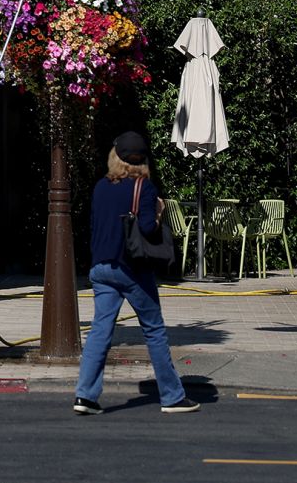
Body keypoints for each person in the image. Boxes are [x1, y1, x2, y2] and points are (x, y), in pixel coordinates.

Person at [73, 132, 199, 415]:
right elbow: (145, 229)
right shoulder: (145, 187)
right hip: (131, 269)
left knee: (100, 331)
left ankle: (86, 396)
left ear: (115, 156)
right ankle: (172, 395)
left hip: (101, 267)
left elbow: (95, 225)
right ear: (142, 160)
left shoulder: (101, 187)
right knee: (153, 329)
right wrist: (157, 213)